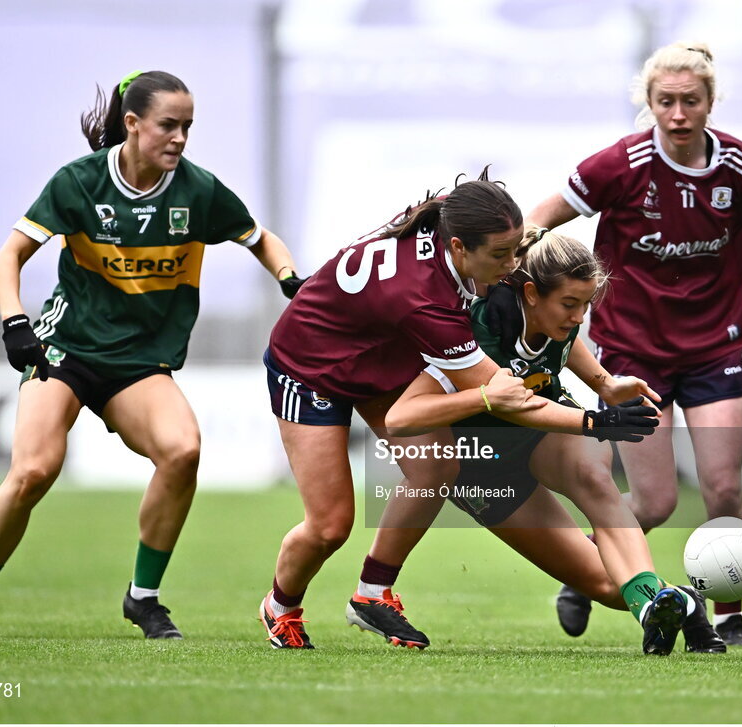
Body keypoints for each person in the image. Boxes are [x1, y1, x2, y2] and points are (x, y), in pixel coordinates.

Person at [490, 41, 742, 647]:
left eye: (691, 100)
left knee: (724, 488)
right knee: (656, 501)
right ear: (650, 104)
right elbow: (541, 219)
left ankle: (730, 620)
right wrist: (503, 276)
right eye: (667, 101)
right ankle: (585, 569)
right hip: (635, 355)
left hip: (715, 351)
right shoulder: (622, 164)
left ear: (711, 103)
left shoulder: (741, 168)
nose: (679, 113)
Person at [0, 70, 303, 640]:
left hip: (139, 363)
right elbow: (9, 257)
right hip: (65, 348)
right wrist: (14, 323)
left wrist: (290, 277)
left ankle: (143, 599)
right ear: (132, 123)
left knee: (183, 450)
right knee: (33, 471)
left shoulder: (198, 191)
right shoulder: (79, 182)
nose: (180, 138)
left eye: (188, 126)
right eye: (168, 125)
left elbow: (261, 237)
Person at [259, 170, 659, 649]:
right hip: (311, 365)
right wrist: (595, 421)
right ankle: (280, 606)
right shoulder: (428, 302)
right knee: (330, 525)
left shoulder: (463, 215)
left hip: (378, 354)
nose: (512, 265)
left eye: (516, 250)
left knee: (441, 463)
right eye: (500, 255)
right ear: (457, 249)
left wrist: (601, 382)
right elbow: (511, 398)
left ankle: (371, 594)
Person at [377, 227, 725, 654]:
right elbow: (401, 418)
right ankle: (684, 605)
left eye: (586, 305)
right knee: (604, 584)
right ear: (530, 294)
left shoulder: (556, 317)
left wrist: (606, 383)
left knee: (595, 480)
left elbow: (562, 346)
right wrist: (592, 420)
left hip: (541, 431)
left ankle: (653, 607)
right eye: (569, 304)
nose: (579, 317)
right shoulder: (477, 331)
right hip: (481, 464)